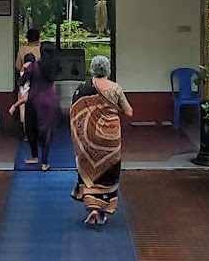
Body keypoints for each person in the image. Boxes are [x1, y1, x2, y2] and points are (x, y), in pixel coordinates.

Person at [70, 54, 132, 226]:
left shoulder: (83, 88)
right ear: (108, 70)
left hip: (89, 138)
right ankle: (101, 210)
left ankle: (93, 207)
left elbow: (74, 112)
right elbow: (129, 112)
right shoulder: (115, 88)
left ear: (92, 70)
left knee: (91, 170)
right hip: (110, 138)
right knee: (109, 172)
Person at [25, 41, 63, 170]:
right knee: (47, 130)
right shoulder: (55, 67)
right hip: (50, 99)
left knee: (31, 128)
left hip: (33, 99)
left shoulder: (34, 66)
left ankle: (34, 156)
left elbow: (23, 80)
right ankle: (44, 163)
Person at [9, 51, 38, 163]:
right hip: (33, 100)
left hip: (28, 100)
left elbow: (23, 92)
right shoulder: (36, 71)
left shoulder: (25, 72)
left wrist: (14, 106)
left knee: (28, 121)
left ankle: (30, 137)